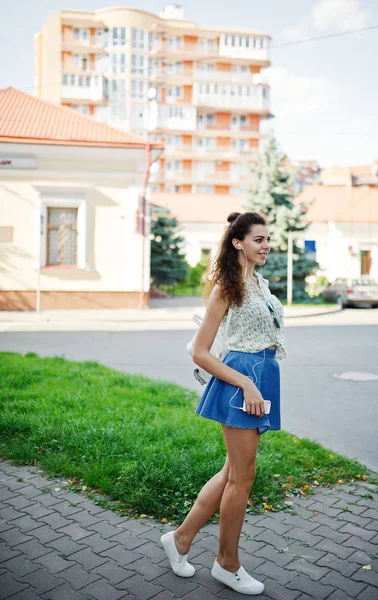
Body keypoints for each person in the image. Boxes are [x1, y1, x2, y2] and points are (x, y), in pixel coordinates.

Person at [161, 211, 286, 595]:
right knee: (242, 478)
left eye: (267, 239)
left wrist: (259, 380)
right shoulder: (227, 287)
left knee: (233, 471)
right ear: (237, 243)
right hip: (240, 383)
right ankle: (226, 563)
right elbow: (201, 352)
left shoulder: (260, 283)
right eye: (258, 240)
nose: (266, 246)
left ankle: (180, 539)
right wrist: (247, 383)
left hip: (262, 376)